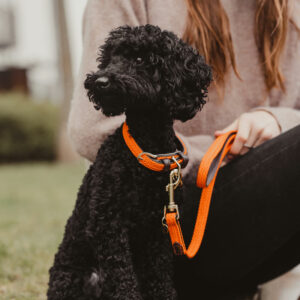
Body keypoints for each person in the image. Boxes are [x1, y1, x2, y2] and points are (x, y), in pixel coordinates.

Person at [68, 0, 300, 299]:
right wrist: (219, 152)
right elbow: (93, 129)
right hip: (162, 224)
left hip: (252, 228)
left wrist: (275, 119)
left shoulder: (286, 8)